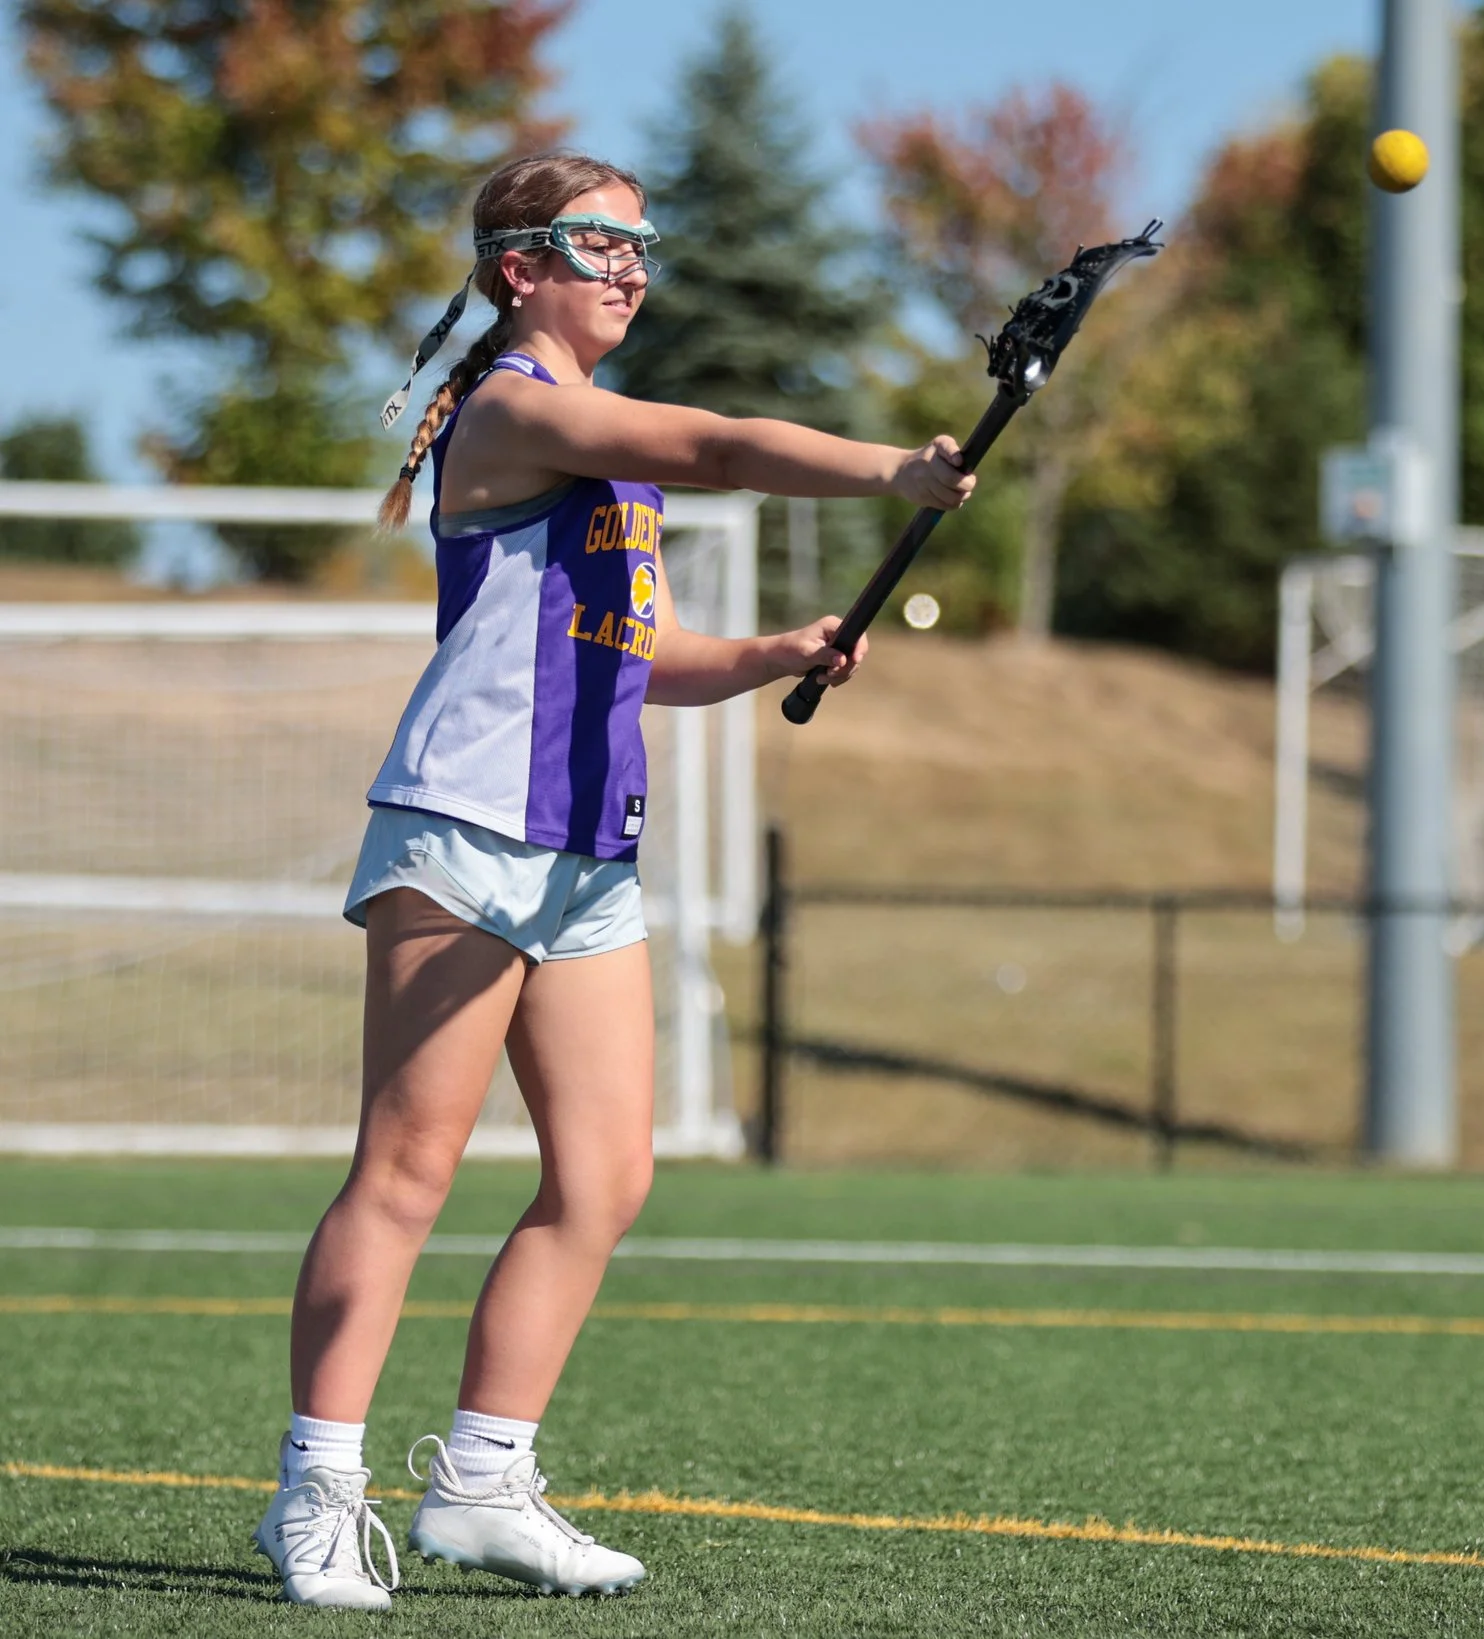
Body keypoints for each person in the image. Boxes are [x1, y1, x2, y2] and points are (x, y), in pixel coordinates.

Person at [252, 150, 973, 1610]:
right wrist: (890, 470)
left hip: (588, 852)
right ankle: (316, 1490)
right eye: (600, 244)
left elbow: (642, 658)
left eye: (644, 246)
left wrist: (774, 654)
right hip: (467, 830)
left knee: (604, 1179)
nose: (631, 268)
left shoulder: (606, 463)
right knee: (406, 1173)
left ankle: (482, 1481)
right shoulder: (516, 409)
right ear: (520, 268)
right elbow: (718, 444)